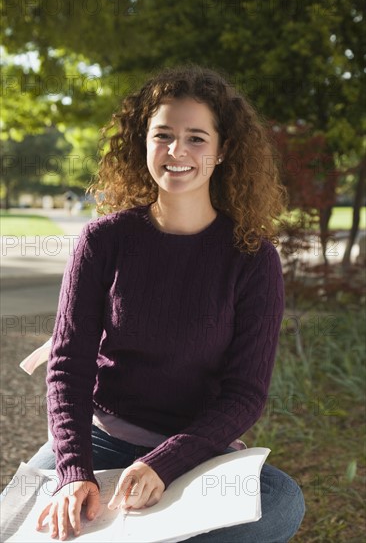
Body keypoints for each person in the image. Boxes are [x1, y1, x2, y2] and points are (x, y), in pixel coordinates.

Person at [28, 65, 305, 542]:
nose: (177, 152)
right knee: (37, 515)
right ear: (144, 143)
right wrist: (74, 471)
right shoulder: (103, 240)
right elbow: (69, 365)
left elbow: (244, 394)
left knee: (280, 503)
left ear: (222, 151)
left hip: (198, 450)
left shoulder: (253, 259)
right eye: (163, 135)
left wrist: (166, 462)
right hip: (103, 437)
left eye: (196, 138)